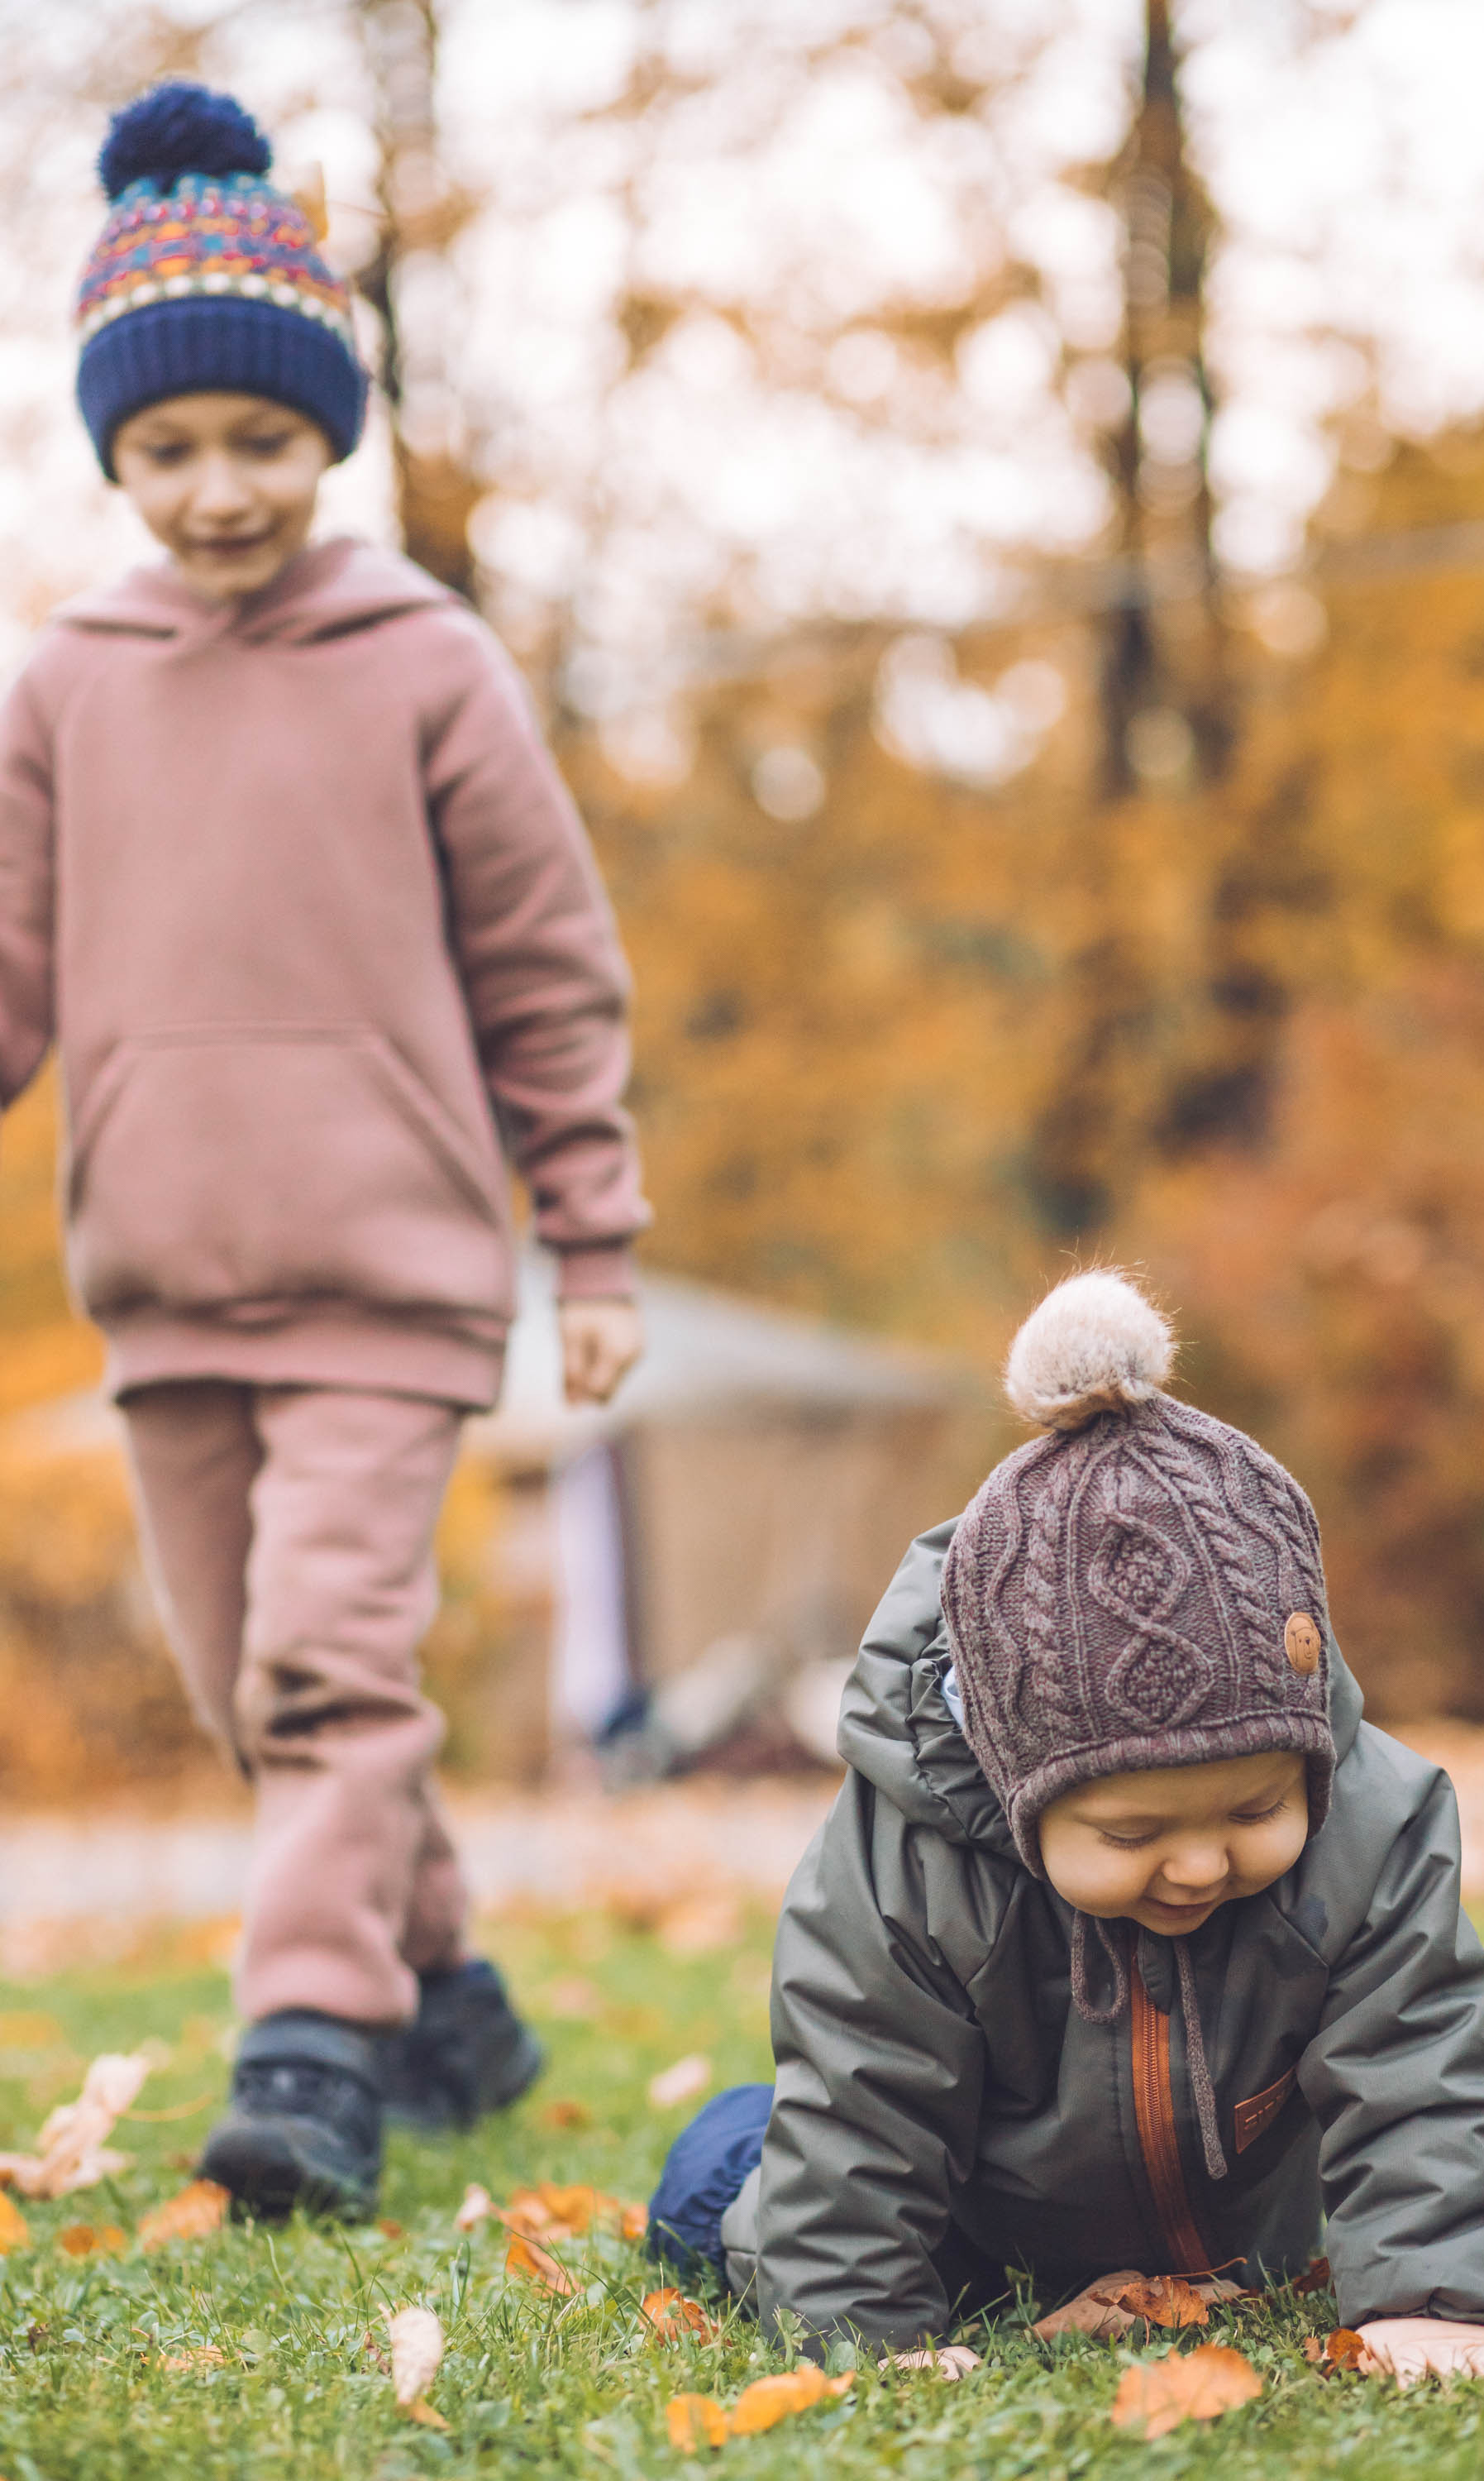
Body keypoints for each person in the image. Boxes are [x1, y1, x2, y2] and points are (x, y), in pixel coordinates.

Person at [0, 81, 649, 2219]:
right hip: (165, 1285)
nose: (219, 489)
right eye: (171, 447)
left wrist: (596, 1237)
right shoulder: (66, 686)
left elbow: (548, 965)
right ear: (115, 455)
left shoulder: (425, 663)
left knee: (326, 1668)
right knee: (253, 1691)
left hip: (392, 1276)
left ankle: (310, 2051)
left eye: (263, 440)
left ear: (331, 435)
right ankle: (452, 1995)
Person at [648, 1269, 1484, 2386]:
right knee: (722, 2182)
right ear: (1016, 1781)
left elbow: (1418, 2069)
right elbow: (863, 2109)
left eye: (1257, 1808)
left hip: (1233, 2239)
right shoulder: (909, 1870)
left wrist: (1433, 2304)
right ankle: (738, 2157)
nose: (1201, 1862)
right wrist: (861, 2337)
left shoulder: (1372, 1830)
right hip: (971, 2233)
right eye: (1131, 1834)